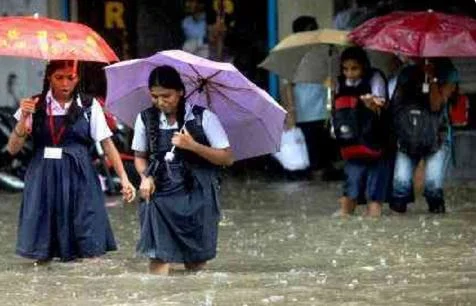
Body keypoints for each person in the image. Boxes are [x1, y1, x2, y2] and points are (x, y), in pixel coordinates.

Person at [7, 60, 136, 263]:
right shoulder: (34, 105)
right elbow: (13, 148)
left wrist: (125, 179)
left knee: (89, 246)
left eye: (71, 78)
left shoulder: (88, 105)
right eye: (59, 77)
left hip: (80, 176)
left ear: (78, 79)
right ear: (49, 77)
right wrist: (23, 118)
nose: (65, 84)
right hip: (43, 178)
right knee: (43, 249)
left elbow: (108, 144)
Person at [132, 65, 233, 275]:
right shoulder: (145, 119)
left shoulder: (203, 118)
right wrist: (145, 177)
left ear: (180, 92)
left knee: (196, 263)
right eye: (154, 96)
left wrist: (193, 145)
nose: (160, 102)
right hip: (159, 194)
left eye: (166, 95)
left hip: (197, 195)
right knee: (158, 256)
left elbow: (227, 157)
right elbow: (140, 157)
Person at [389, 58, 459, 214]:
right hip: (409, 133)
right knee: (401, 186)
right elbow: (396, 105)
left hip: (436, 135)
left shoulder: (449, 73)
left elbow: (436, 105)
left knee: (433, 187)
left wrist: (432, 78)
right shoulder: (406, 73)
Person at [334, 46, 392, 217]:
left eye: (354, 68)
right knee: (350, 185)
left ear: (364, 66)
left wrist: (373, 105)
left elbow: (383, 104)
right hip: (352, 142)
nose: (349, 73)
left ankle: (373, 220)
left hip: (377, 140)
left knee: (374, 194)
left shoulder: (375, 77)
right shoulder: (338, 82)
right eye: (345, 69)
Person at [283, 16, 342, 180]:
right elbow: (287, 85)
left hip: (325, 108)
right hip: (304, 111)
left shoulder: (327, 50)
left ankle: (322, 178)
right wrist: (291, 111)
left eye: (314, 29)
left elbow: (336, 77)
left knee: (325, 151)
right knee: (310, 152)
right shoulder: (291, 54)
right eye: (308, 30)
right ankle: (314, 177)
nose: (312, 33)